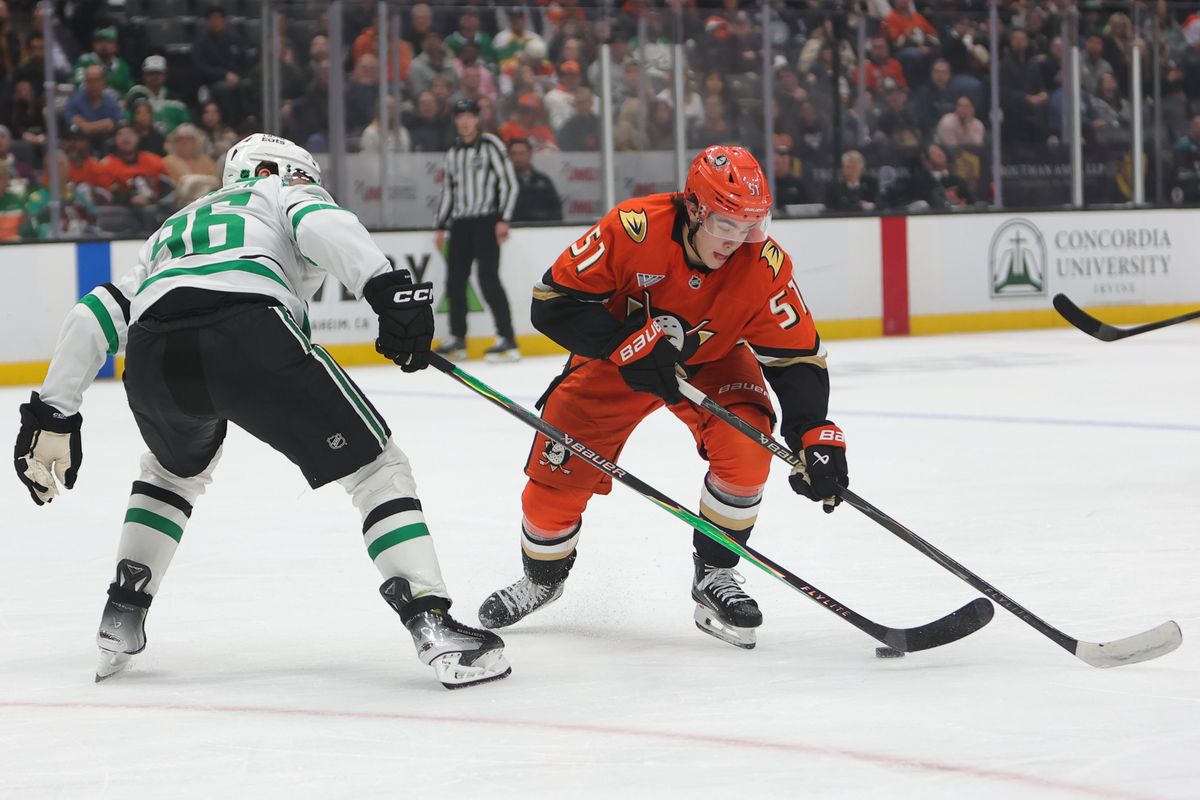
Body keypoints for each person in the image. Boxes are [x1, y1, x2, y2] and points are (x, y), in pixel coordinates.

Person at [12, 133, 510, 690]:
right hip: (250, 327)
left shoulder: (172, 228)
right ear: (282, 170)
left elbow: (95, 313)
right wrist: (385, 286)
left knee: (171, 471)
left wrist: (53, 413)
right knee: (378, 469)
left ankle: (121, 617)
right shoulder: (279, 191)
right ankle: (433, 624)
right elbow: (321, 223)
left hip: (153, 354)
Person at [477, 146, 849, 649]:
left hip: (714, 362)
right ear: (695, 207)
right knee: (549, 496)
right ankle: (543, 578)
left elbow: (796, 357)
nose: (736, 240)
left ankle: (714, 573)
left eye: (750, 225)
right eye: (725, 224)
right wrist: (622, 344)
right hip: (615, 363)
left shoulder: (764, 263)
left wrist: (812, 430)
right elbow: (551, 305)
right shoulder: (634, 228)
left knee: (748, 447)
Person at [434, 98, 520, 363]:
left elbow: (509, 183)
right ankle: (458, 338)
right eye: (459, 116)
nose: (464, 121)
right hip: (461, 223)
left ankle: (507, 338)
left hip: (486, 220)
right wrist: (441, 225)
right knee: (455, 281)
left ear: (477, 118)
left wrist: (503, 219)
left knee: (488, 278)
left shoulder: (491, 145)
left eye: (469, 115)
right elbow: (449, 191)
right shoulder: (454, 151)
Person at [509, 138, 562, 222]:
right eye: (514, 154)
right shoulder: (505, 182)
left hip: (540, 229)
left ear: (530, 154)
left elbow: (556, 210)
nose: (518, 157)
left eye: (521, 153)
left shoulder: (543, 181)